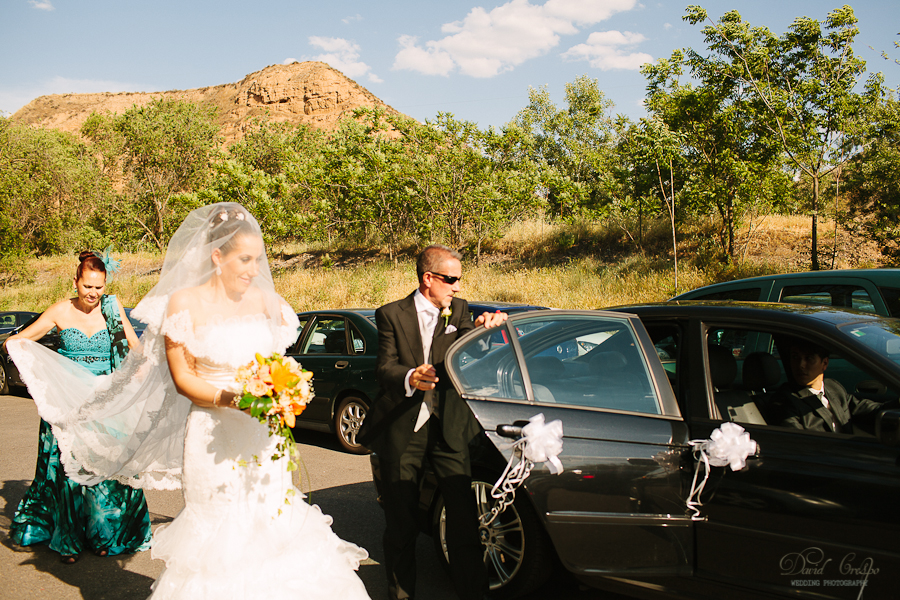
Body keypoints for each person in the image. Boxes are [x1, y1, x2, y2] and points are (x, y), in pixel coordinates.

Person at [7, 203, 370, 599]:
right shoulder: (183, 303)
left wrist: (287, 393)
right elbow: (183, 378)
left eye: (257, 259)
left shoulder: (269, 303)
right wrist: (233, 398)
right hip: (211, 436)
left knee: (274, 530)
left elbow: (278, 365)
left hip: (264, 439)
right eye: (244, 259)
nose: (254, 269)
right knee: (219, 538)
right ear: (217, 256)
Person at [357, 244, 507, 600]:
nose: (457, 286)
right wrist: (411, 376)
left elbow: (472, 353)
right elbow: (385, 368)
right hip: (402, 429)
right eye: (452, 279)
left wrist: (487, 329)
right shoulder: (391, 314)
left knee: (465, 522)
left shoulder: (460, 310)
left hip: (449, 429)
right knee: (401, 526)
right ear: (429, 279)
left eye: (459, 280)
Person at [5, 251, 151, 563]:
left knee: (104, 471)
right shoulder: (59, 310)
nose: (93, 293)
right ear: (76, 281)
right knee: (67, 473)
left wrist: (139, 375)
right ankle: (68, 539)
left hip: (104, 403)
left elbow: (134, 347)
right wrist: (46, 373)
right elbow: (17, 341)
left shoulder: (112, 309)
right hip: (68, 405)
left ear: (105, 284)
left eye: (99, 287)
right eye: (87, 286)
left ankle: (105, 535)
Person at [774, 339, 892, 433]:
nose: (801, 365)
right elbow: (795, 442)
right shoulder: (785, 400)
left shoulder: (833, 387)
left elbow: (870, 410)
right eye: (795, 357)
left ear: (824, 363)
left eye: (809, 358)